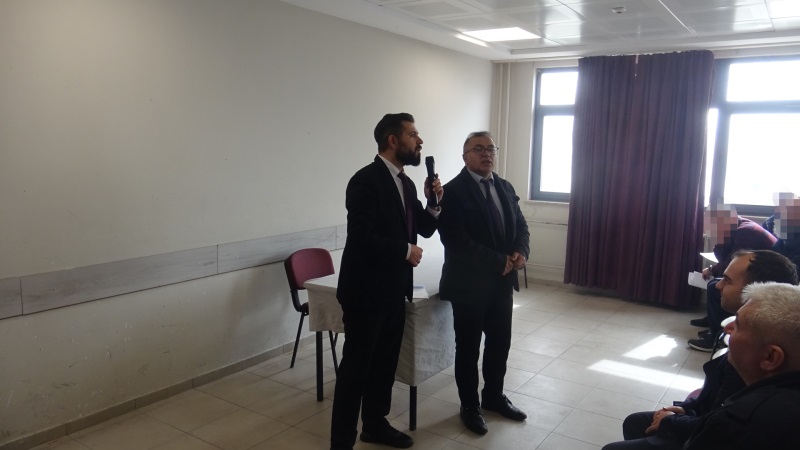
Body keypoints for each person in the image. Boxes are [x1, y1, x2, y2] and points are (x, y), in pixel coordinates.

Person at [602, 250, 798, 450]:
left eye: (728, 280)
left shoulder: (753, 383)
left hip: (706, 433)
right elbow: (713, 403)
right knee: (636, 422)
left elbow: (716, 427)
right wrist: (687, 408)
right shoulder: (763, 355)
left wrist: (672, 421)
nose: (718, 285)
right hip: (706, 420)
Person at [331, 113, 443, 450]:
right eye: (413, 134)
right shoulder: (365, 180)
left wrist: (433, 202)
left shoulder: (406, 183)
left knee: (384, 365)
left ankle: (375, 425)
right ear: (393, 140)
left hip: (395, 290)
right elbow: (361, 236)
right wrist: (405, 250)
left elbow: (424, 228)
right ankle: (341, 442)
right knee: (356, 369)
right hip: (365, 292)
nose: (420, 141)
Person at [437, 131, 529, 436]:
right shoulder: (452, 192)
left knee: (500, 343)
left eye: (491, 148)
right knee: (468, 349)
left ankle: (493, 396)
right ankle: (469, 406)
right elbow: (455, 241)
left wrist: (521, 251)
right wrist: (497, 260)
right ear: (465, 156)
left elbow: (520, 225)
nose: (486, 153)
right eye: (478, 149)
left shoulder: (505, 186)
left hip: (501, 284)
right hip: (468, 286)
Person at [684, 282, 800, 449]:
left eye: (737, 323)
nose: (727, 328)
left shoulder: (737, 424)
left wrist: (669, 421)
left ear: (770, 357)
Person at [688, 203, 776, 352]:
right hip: (755, 272)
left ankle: (716, 337)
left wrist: (712, 268)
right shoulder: (737, 228)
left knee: (715, 287)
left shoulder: (746, 233)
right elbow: (726, 257)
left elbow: (733, 263)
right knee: (715, 282)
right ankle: (712, 321)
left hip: (766, 278)